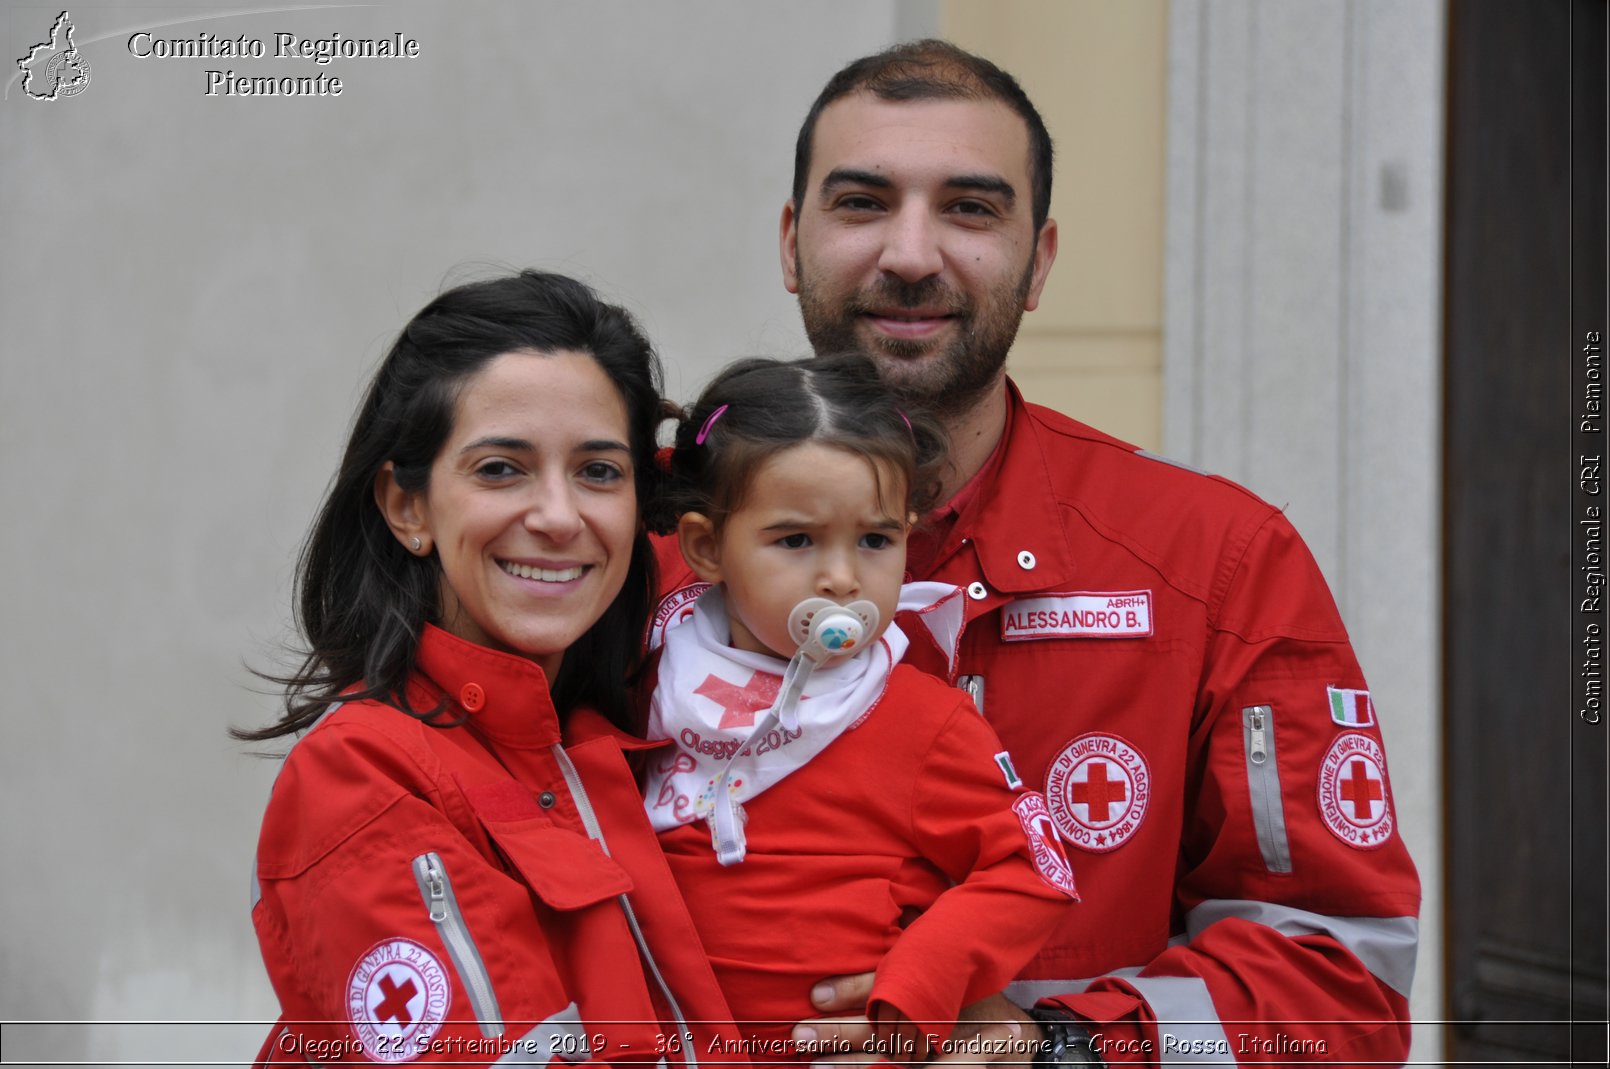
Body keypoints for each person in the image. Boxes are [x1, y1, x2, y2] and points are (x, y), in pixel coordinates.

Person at [654, 40, 1421, 1066]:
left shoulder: (1215, 560)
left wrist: (1062, 1046)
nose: (912, 253)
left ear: (1039, 262)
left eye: (969, 208)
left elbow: (1340, 985)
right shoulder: (644, 554)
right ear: (792, 243)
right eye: (861, 202)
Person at [241, 271, 745, 1067]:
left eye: (598, 471)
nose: (556, 515)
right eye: (500, 468)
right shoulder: (363, 773)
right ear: (409, 507)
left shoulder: (628, 736)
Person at [641, 354, 1079, 1063]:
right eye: (796, 540)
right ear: (705, 545)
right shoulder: (650, 688)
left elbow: (1033, 867)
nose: (843, 578)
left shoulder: (922, 719)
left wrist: (924, 981)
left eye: (875, 540)